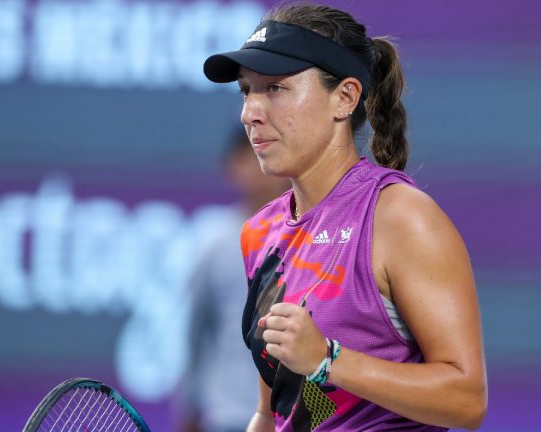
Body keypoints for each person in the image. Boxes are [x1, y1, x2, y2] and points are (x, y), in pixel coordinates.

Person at [202, 4, 487, 432]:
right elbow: (273, 413)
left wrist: (327, 360)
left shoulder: (401, 217)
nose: (250, 113)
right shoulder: (260, 233)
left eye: (275, 88)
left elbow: (466, 400)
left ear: (345, 97)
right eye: (246, 91)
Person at [179, 130, 290, 432]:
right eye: (247, 156)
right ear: (231, 166)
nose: (257, 166)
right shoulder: (214, 242)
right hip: (227, 416)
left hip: (292, 418)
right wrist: (190, 408)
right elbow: (196, 334)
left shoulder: (316, 238)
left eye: (263, 152)